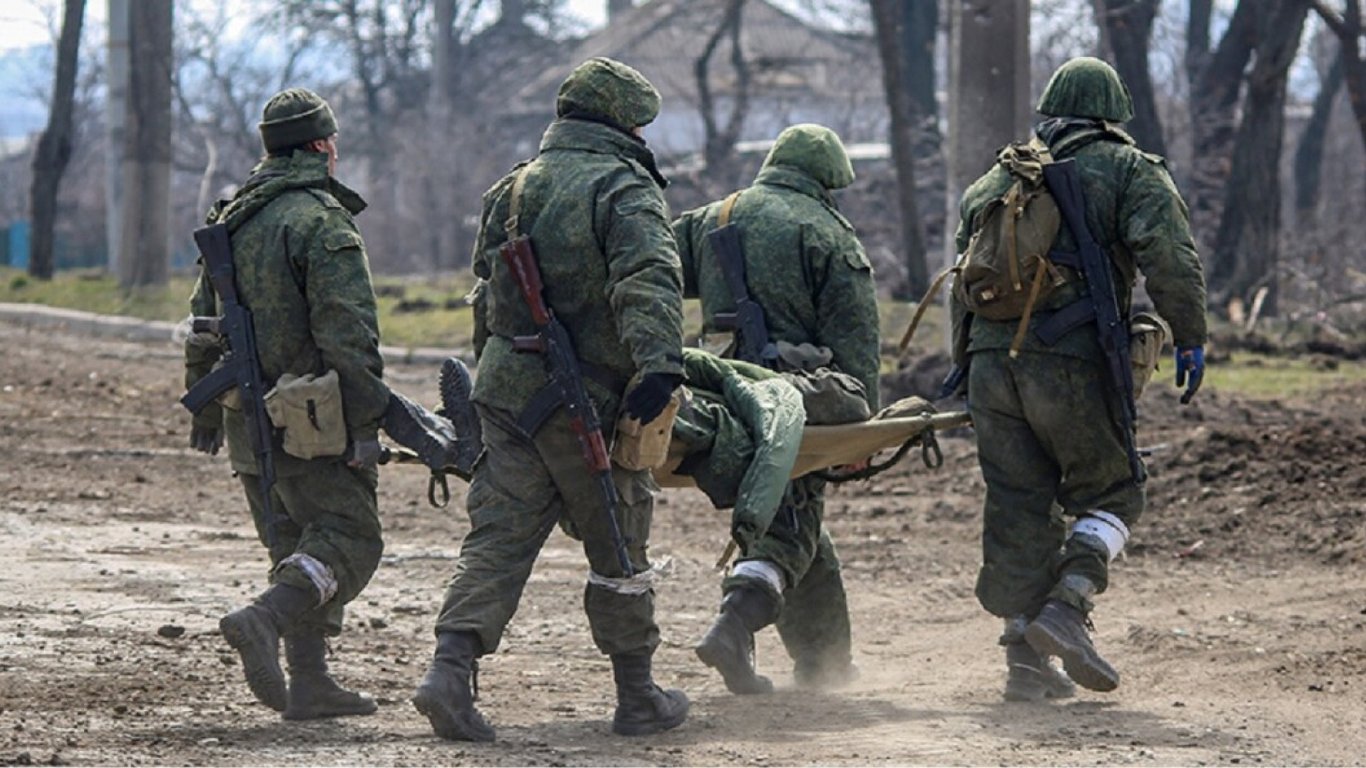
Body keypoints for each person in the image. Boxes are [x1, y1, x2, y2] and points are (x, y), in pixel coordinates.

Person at [411, 57, 689, 741]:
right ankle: (638, 695)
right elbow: (647, 277)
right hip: (585, 398)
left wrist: (487, 386)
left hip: (506, 392)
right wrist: (660, 365)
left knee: (497, 539)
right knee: (619, 541)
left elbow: (486, 295)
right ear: (623, 122)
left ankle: (449, 673)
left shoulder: (509, 189)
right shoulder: (623, 187)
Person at [953, 57, 1208, 700]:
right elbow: (1169, 258)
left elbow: (963, 281)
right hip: (1068, 362)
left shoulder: (996, 178)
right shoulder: (1128, 169)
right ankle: (1068, 607)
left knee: (1018, 502)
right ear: (1113, 112)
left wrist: (964, 369)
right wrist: (1193, 334)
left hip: (990, 367)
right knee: (1115, 490)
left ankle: (1024, 661)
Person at [184, 88, 390, 720]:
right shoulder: (319, 221)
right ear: (324, 146)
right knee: (351, 538)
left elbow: (202, 321)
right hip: (313, 421)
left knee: (294, 545)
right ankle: (263, 619)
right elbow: (348, 334)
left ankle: (310, 681)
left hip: (245, 417)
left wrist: (204, 409)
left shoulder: (233, 216)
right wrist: (365, 425)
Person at [672, 124, 880, 694]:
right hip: (792, 404)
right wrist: (864, 435)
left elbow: (654, 278)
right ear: (827, 181)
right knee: (794, 517)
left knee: (798, 522)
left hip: (716, 395)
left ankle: (824, 665)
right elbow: (857, 346)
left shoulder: (712, 219)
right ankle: (735, 620)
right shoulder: (829, 235)